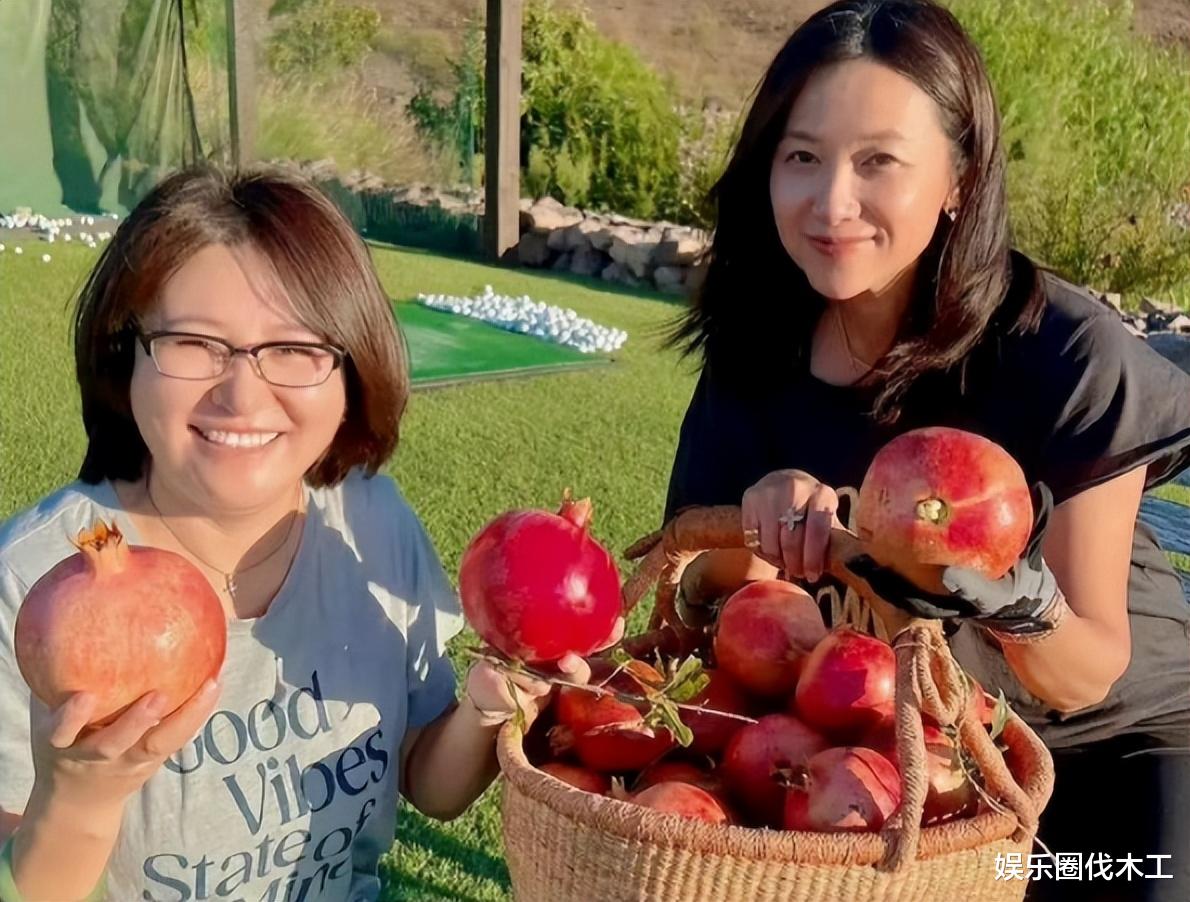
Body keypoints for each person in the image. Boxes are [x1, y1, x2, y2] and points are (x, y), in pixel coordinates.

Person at [663, 2, 1190, 899]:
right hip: (901, 743)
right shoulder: (755, 350)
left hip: (1111, 748)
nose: (832, 203)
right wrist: (760, 531)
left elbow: (1087, 672)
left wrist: (1013, 604)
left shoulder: (1066, 354)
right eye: (802, 157)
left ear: (958, 179)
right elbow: (692, 587)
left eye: (878, 162)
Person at [0, 165, 596, 902]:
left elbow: (428, 785)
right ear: (126, 356)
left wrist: (485, 707)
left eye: (294, 349)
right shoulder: (34, 587)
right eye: (192, 343)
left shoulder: (372, 524)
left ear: (350, 370)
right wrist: (81, 798)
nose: (243, 394)